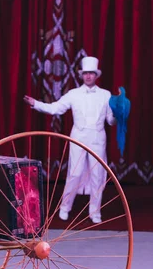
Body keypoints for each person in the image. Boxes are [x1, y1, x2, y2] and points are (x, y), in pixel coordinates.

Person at [24, 56, 115, 223]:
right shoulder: (74, 94)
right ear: (82, 75)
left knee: (97, 175)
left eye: (91, 73)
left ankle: (95, 212)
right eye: (86, 73)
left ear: (96, 75)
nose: (88, 76)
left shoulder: (105, 95)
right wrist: (35, 103)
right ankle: (65, 207)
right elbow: (55, 108)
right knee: (75, 173)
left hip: (98, 138)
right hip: (79, 137)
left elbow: (110, 119)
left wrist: (118, 115)